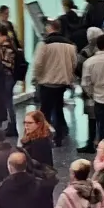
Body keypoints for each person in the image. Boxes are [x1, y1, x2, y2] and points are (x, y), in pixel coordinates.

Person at [32, 18, 77, 146]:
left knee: (45, 111)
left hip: (47, 82)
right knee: (58, 109)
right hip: (62, 83)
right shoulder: (70, 45)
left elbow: (38, 63)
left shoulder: (44, 44)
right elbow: (74, 63)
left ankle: (43, 136)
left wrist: (35, 78)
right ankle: (59, 137)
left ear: (49, 28)